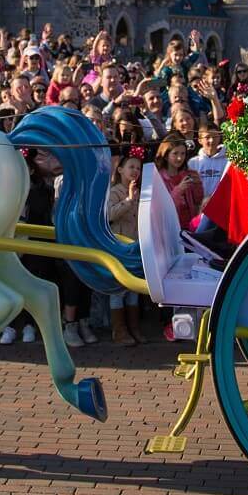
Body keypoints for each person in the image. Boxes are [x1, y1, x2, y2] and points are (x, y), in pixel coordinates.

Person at [106, 147, 145, 346]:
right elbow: (110, 214)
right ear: (120, 169)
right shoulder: (115, 192)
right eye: (131, 167)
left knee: (133, 290)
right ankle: (119, 330)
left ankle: (134, 327)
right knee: (118, 289)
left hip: (136, 247)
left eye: (138, 168)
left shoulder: (140, 192)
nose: (135, 171)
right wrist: (128, 200)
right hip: (119, 247)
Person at [156, 136, 203, 231]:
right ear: (165, 155)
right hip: (171, 229)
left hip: (190, 227)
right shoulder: (158, 178)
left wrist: (198, 184)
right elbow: (163, 208)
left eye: (183, 153)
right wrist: (179, 190)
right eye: (175, 153)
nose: (179, 158)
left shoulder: (187, 174)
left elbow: (198, 200)